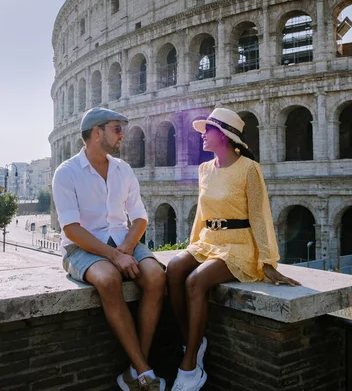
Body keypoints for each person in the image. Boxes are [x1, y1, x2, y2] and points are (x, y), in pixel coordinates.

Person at [166, 107, 301, 391]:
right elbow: (200, 214)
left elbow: (260, 215)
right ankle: (191, 340)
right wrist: (192, 248)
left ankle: (189, 363)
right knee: (175, 268)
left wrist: (267, 260)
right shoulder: (204, 169)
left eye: (208, 130)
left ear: (224, 136)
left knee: (196, 281)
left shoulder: (249, 169)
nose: (203, 135)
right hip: (208, 240)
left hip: (238, 245)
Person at [52, 108, 166, 391]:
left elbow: (139, 216)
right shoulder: (66, 173)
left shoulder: (122, 169)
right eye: (117, 129)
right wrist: (115, 255)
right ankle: (144, 371)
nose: (122, 135)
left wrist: (126, 248)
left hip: (122, 241)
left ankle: (136, 368)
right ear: (96, 132)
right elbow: (71, 229)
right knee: (108, 279)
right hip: (82, 247)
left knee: (155, 276)